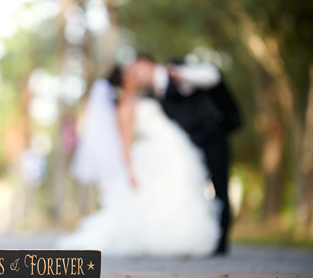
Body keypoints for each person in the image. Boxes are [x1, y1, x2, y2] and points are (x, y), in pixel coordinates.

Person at [55, 64, 221, 258]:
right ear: (124, 82)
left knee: (176, 190)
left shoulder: (142, 98)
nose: (136, 77)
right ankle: (167, 238)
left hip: (172, 147)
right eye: (130, 75)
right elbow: (124, 143)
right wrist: (130, 172)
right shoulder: (125, 107)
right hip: (155, 152)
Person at [131, 54, 242, 255]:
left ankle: (222, 242)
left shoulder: (176, 72)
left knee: (220, 185)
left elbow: (212, 76)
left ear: (147, 63)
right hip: (190, 144)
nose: (136, 76)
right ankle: (206, 236)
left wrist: (182, 74)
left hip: (212, 133)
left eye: (137, 70)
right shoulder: (151, 93)